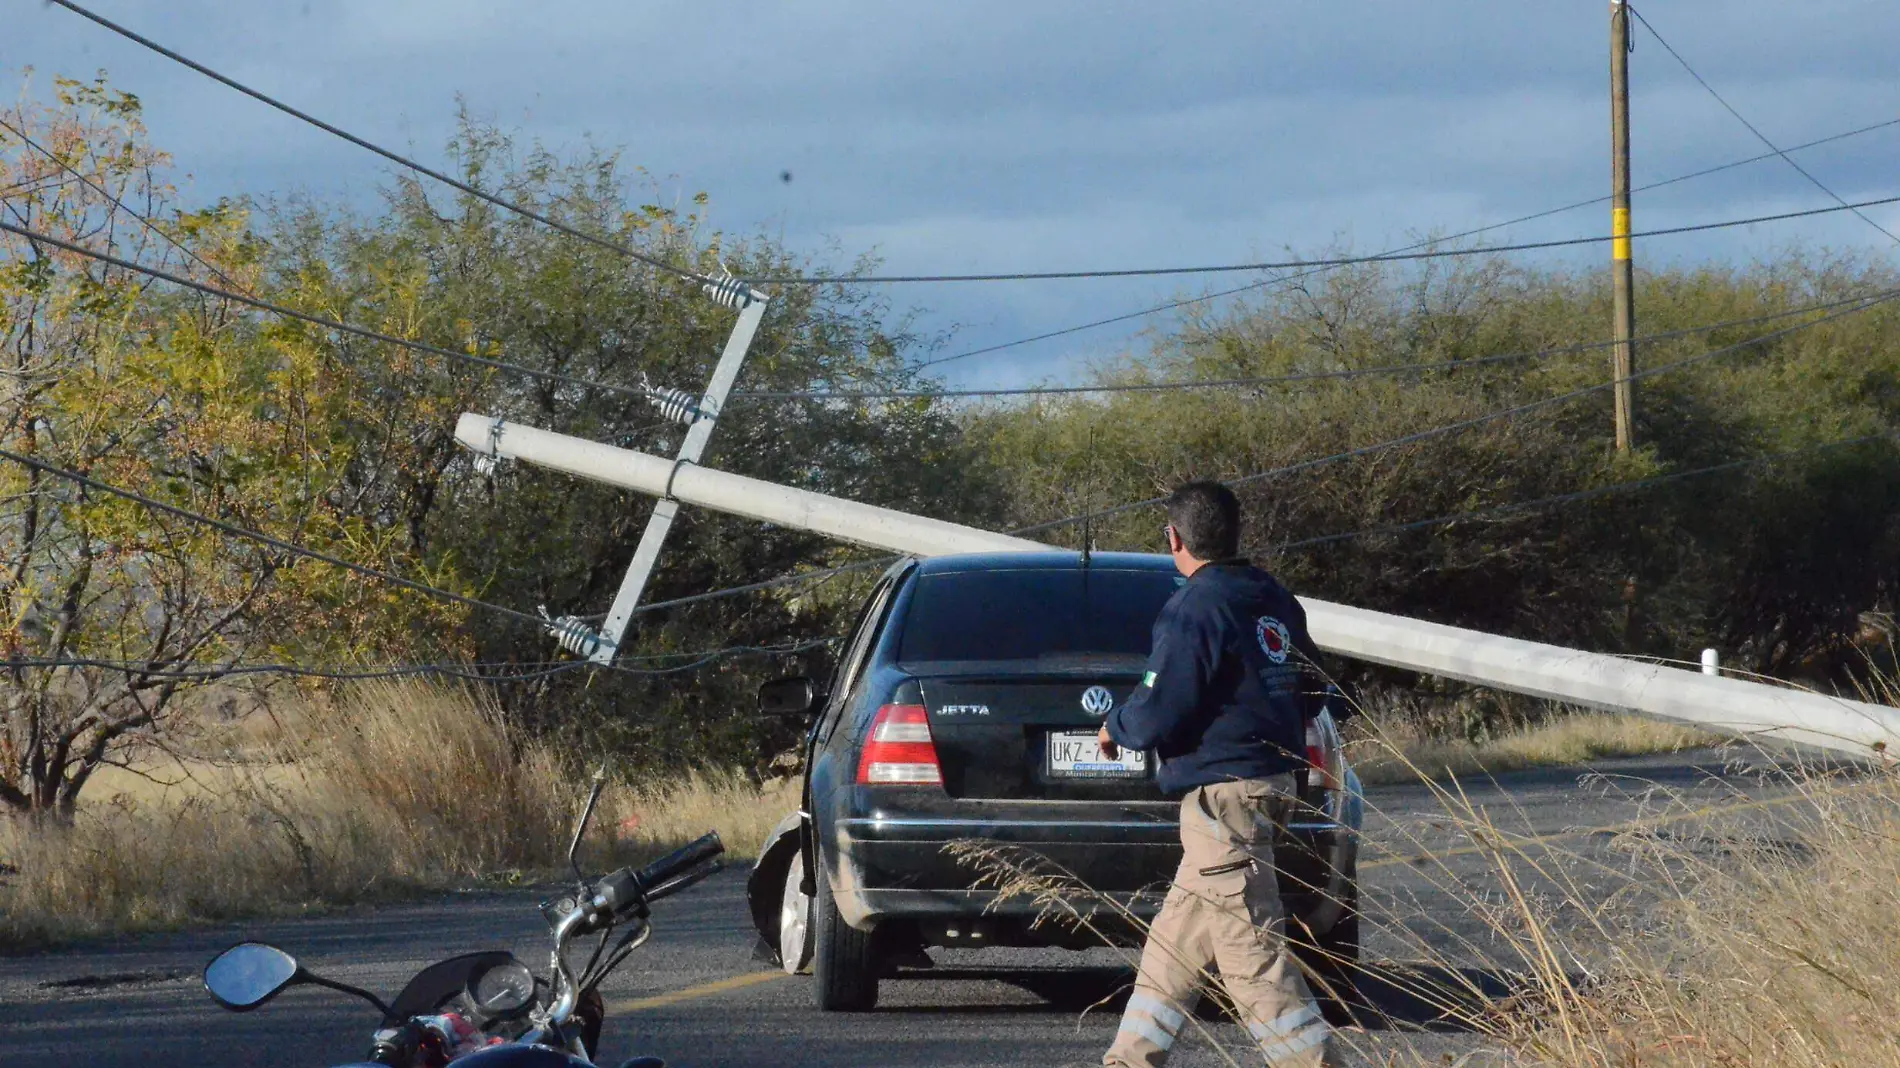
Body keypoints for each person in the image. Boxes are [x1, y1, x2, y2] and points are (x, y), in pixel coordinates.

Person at [1097, 481, 1332, 1068]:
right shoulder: (1272, 597)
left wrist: (1115, 727)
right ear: (1232, 532)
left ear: (1174, 538)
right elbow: (1314, 688)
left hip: (1223, 801)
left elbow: (1159, 711)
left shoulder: (1193, 607)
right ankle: (1130, 1060)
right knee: (1176, 945)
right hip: (1270, 785)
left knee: (1251, 953)